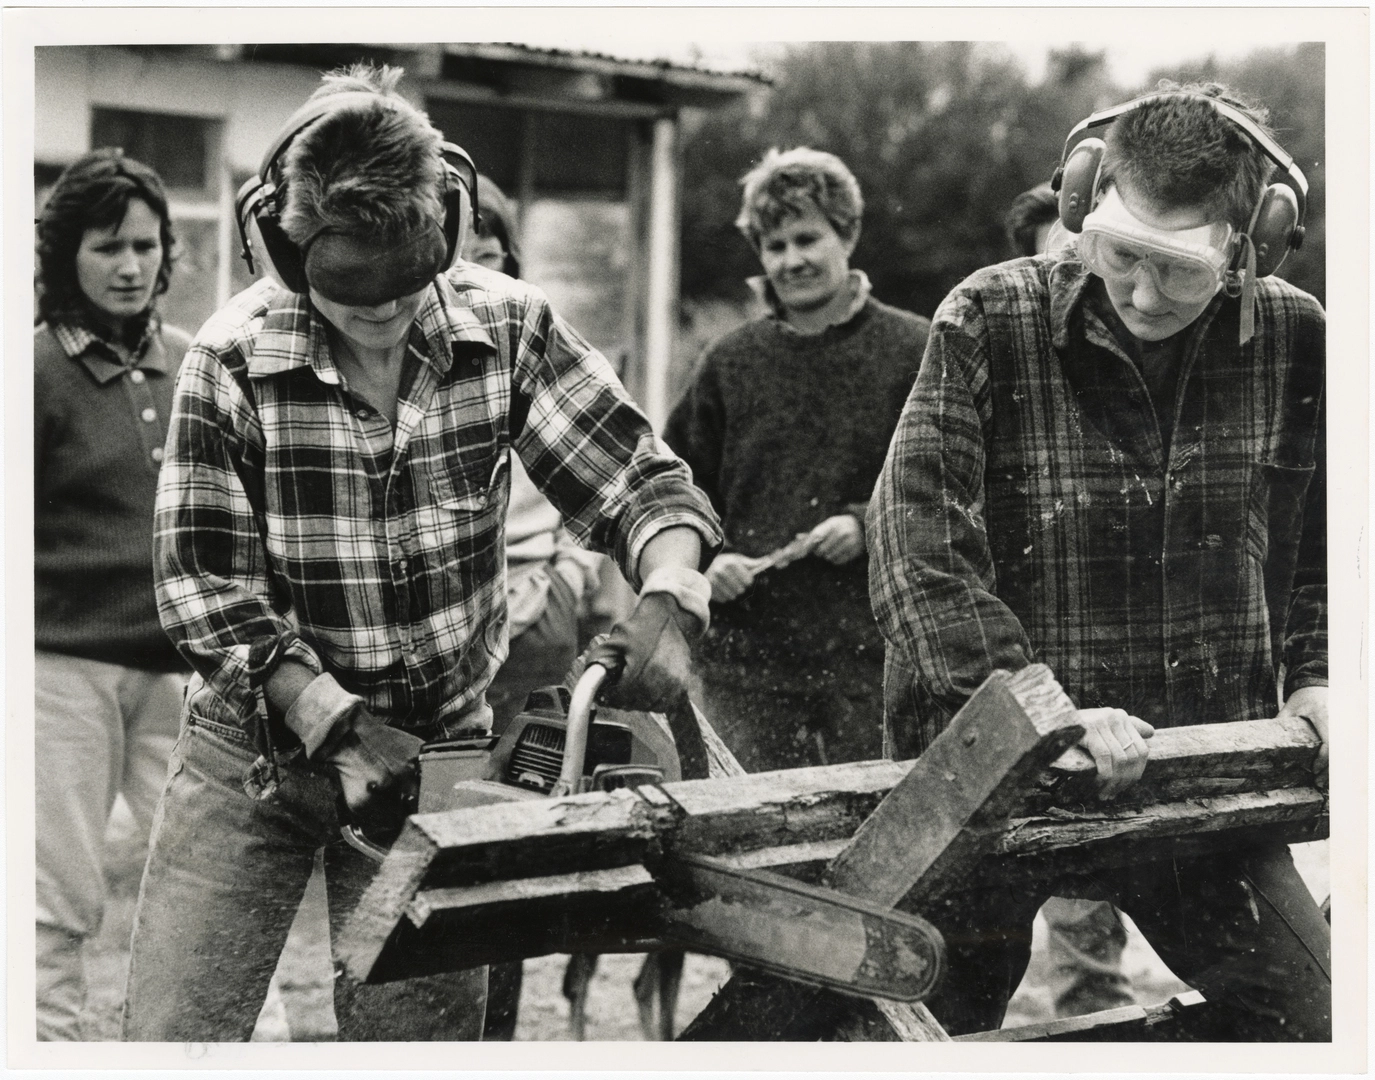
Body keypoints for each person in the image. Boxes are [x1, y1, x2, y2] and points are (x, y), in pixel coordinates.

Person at [121, 64, 720, 1042]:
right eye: (357, 295)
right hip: (256, 754)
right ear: (282, 243)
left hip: (435, 749)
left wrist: (670, 575)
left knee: (421, 1044)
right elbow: (204, 587)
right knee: (178, 1032)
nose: (390, 313)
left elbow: (636, 476)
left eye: (410, 284)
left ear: (443, 218)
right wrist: (333, 722)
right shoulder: (230, 360)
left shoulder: (509, 327)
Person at [869, 84, 1328, 1039]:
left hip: (1194, 773)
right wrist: (1040, 714)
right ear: (1082, 204)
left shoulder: (1296, 338)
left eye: (1182, 271)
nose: (1143, 295)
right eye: (1121, 255)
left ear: (1250, 243)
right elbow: (916, 547)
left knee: (1313, 1016)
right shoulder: (987, 315)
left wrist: (1321, 677)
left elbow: (1326, 541)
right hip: (983, 775)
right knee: (927, 1029)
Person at [665, 148, 930, 773]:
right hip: (747, 664)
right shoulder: (729, 363)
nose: (792, 259)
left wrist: (868, 522)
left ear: (848, 234)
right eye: (774, 245)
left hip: (873, 656)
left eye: (807, 238)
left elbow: (948, 484)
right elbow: (675, 487)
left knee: (873, 827)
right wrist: (708, 558)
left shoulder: (915, 349)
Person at [33, 149, 192, 1041]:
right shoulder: (33, 374)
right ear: (67, 258)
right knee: (53, 890)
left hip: (180, 675)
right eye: (106, 248)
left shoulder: (195, 362)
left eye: (145, 244)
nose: (131, 266)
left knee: (212, 875)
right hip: (59, 673)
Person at [1003, 180, 1138, 1021]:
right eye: (1053, 261)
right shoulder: (991, 366)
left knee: (1094, 932)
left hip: (1118, 685)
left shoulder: (1127, 380)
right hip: (1022, 681)